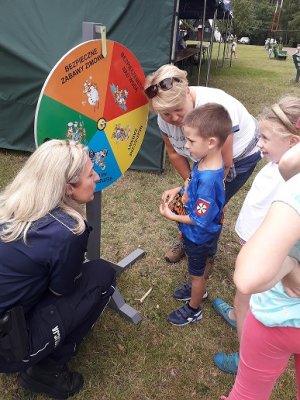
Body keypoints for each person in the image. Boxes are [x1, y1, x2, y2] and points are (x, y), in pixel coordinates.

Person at [0, 139, 116, 399]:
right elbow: (61, 290)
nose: (97, 176)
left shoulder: (9, 206)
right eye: (90, 173)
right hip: (9, 344)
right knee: (101, 275)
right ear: (66, 188)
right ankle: (45, 370)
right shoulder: (67, 231)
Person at [212, 96, 300, 374]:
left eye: (264, 138)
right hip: (251, 244)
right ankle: (240, 315)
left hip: (263, 257)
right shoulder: (279, 165)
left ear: (293, 143)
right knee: (244, 299)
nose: (258, 143)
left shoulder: (291, 180)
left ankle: (244, 354)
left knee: (245, 295)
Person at [144, 64, 261, 263]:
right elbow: (174, 154)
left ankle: (205, 256)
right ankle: (189, 240)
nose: (173, 119)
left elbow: (223, 164)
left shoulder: (216, 108)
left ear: (188, 94)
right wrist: (188, 184)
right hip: (208, 162)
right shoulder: (164, 117)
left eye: (178, 110)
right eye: (166, 114)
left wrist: (193, 189)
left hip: (237, 158)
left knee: (209, 208)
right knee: (190, 199)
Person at [221, 144, 300, 400]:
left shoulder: (296, 189)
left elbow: (248, 276)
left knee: (248, 393)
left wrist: (290, 264)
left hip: (277, 317)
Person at [159, 103, 232, 326]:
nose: (186, 146)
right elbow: (192, 181)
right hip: (202, 233)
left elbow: (199, 219)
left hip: (198, 236)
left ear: (210, 142)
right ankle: (197, 288)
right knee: (200, 265)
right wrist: (178, 190)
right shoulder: (206, 160)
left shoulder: (210, 182)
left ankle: (194, 308)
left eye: (191, 141)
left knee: (196, 273)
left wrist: (172, 217)